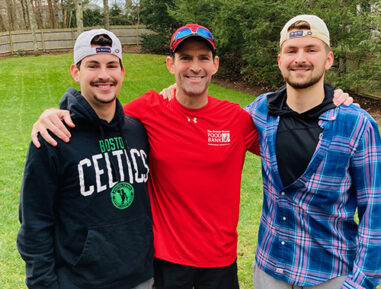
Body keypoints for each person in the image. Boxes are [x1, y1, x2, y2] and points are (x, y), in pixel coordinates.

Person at [29, 24, 352, 288]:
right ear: (171, 64)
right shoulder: (146, 111)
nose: (194, 66)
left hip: (221, 263)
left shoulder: (237, 118)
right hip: (165, 262)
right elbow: (98, 112)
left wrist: (329, 98)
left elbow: (288, 139)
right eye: (185, 57)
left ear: (215, 64)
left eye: (203, 57)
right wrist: (58, 112)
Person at [244, 15, 381, 289]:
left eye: (311, 49)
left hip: (330, 276)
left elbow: (374, 212)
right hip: (269, 271)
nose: (300, 58)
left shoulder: (356, 125)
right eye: (291, 51)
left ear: (328, 59)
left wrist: (360, 282)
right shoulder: (261, 112)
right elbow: (213, 128)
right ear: (280, 59)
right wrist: (178, 93)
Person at [17, 29, 154, 289]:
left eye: (112, 65)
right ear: (76, 72)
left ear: (122, 72)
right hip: (81, 282)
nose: (104, 75)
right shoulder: (53, 138)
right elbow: (35, 223)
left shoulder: (138, 131)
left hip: (142, 278)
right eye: (93, 65)